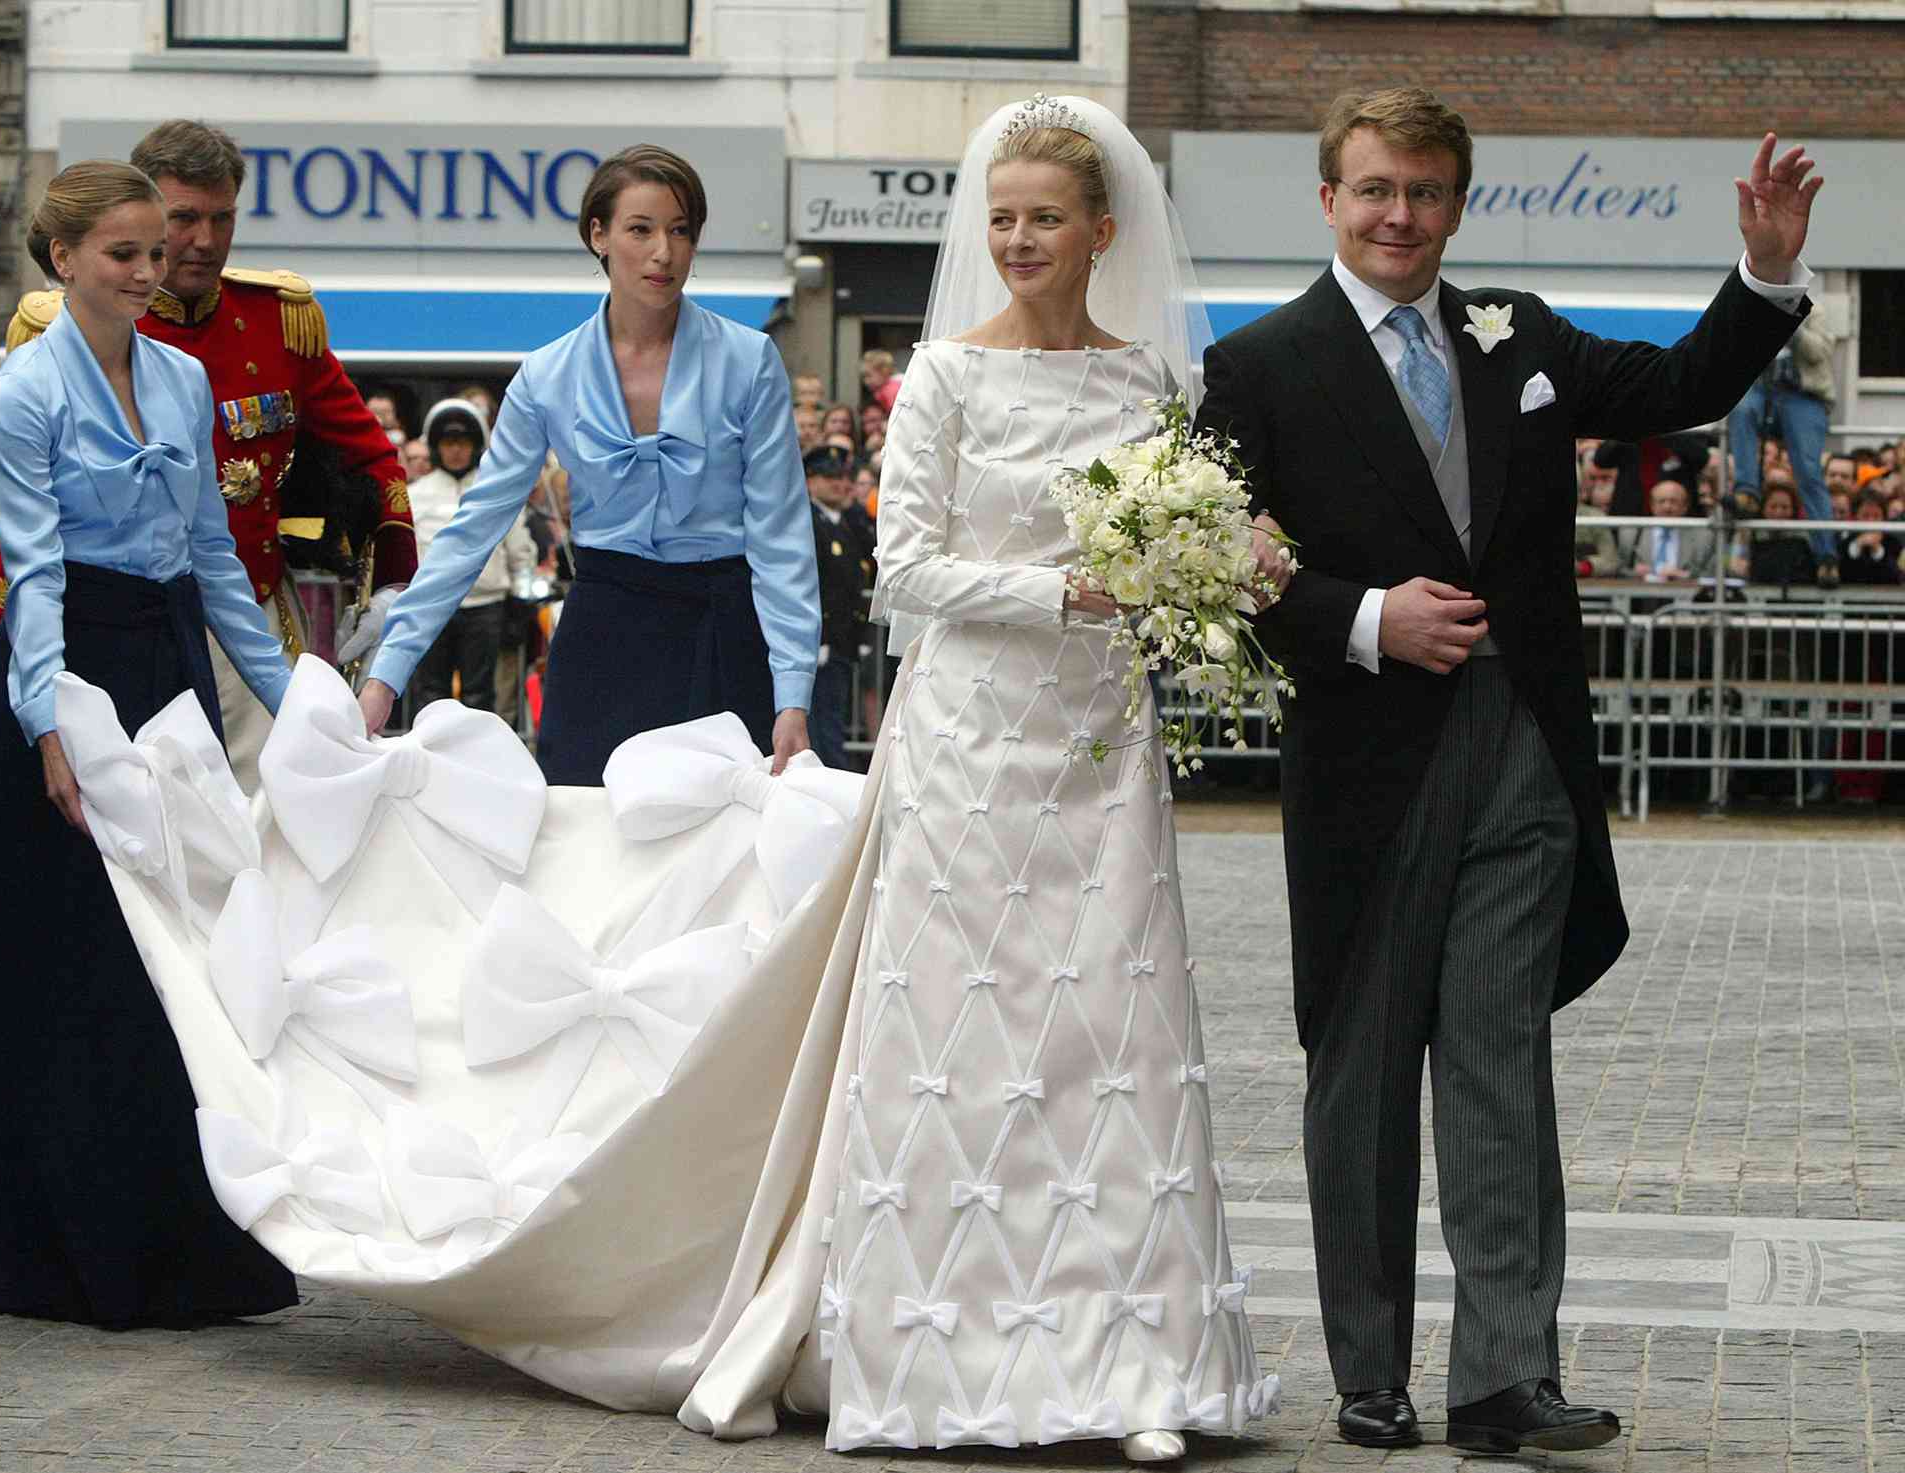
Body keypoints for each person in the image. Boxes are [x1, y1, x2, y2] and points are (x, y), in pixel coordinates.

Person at [1193, 87, 1818, 1456]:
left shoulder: (1515, 331)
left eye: (1423, 191)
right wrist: (1364, 620)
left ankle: (1502, 1377)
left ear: (1457, 202)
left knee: (1499, 1063)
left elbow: (1677, 392)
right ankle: (1370, 1369)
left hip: (1524, 755)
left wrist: (1766, 272)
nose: (1399, 215)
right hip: (1366, 765)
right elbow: (1210, 565)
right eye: (1374, 190)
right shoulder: (1258, 365)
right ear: (1328, 200)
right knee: (1360, 1076)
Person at [723, 94, 1290, 1464]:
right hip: (972, 741)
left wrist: (1213, 564)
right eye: (1005, 219)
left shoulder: (1150, 383)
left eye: (1047, 218)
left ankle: (1135, 1364)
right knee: (965, 1037)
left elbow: (1177, 544)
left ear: (1103, 231)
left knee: (1113, 1024)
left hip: (1100, 740)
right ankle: (941, 1355)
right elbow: (904, 569)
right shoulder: (946, 378)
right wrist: (1067, 586)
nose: (1022, 239)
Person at [0, 160, 298, 1327]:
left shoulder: (185, 377)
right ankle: (70, 1260)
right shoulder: (20, 396)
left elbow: (214, 555)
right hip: (69, 678)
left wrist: (290, 694)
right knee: (82, 970)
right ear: (63, 262)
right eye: (125, 253)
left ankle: (192, 1248)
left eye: (158, 251)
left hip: (166, 668)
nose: (152, 272)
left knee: (184, 957)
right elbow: (35, 573)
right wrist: (50, 722)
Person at [355, 145, 818, 783]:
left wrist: (792, 688)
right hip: (606, 630)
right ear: (598, 236)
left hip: (726, 628)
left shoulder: (750, 359)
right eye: (641, 229)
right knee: (587, 849)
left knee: (724, 857)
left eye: (681, 231)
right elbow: (474, 529)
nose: (665, 251)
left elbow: (781, 535)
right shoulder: (548, 374)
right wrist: (388, 670)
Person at [0, 118, 416, 791]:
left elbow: (370, 460)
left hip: (250, 612)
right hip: (88, 630)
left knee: (269, 825)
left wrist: (394, 586)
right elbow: (21, 539)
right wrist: (19, 656)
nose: (205, 240)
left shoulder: (276, 320)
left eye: (223, 218)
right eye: (184, 219)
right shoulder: (45, 349)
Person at [404, 397, 535, 718]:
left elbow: (520, 550)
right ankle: (430, 766)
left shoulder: (495, 490)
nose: (456, 450)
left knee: (480, 698)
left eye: (463, 442)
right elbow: (405, 553)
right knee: (431, 697)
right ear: (436, 446)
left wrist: (521, 600)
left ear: (476, 445)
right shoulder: (415, 494)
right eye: (448, 442)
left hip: (485, 608)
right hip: (431, 609)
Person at [1729, 307, 1836, 580]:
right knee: (1740, 410)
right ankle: (1747, 491)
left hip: (1804, 396)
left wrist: (1791, 324)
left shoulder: (1815, 312)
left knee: (1808, 472)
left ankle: (1826, 556)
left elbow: (1819, 353)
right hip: (1763, 391)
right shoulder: (1756, 305)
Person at [803, 443, 871, 770]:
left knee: (831, 722)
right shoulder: (808, 522)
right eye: (829, 477)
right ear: (809, 480)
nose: (840, 485)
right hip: (820, 644)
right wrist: (819, 638)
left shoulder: (843, 522)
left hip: (841, 644)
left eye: (843, 477)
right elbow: (812, 584)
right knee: (821, 734)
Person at [1623, 479, 1720, 581]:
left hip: (1685, 593)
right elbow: (1618, 571)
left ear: (1685, 507)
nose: (1667, 507)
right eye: (1661, 501)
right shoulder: (1631, 533)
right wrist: (1634, 573)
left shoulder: (1703, 536)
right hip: (1642, 593)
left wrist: (1685, 576)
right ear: (1652, 505)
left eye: (1673, 501)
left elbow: (1711, 574)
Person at [1734, 482, 1816, 586]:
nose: (1778, 513)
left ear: (1793, 510)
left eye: (1785, 507)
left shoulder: (1804, 536)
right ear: (1763, 508)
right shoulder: (1750, 533)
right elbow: (1737, 566)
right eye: (1773, 507)